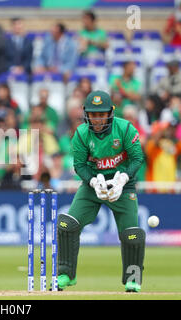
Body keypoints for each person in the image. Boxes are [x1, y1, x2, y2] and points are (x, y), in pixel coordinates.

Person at [57, 90, 145, 292]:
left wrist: (123, 179)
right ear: (86, 113)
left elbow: (137, 158)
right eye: (93, 114)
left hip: (123, 185)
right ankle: (65, 274)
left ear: (110, 113)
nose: (97, 119)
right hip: (94, 184)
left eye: (101, 114)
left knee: (132, 234)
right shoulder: (81, 133)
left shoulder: (125, 129)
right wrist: (93, 182)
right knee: (67, 224)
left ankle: (133, 279)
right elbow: (79, 165)